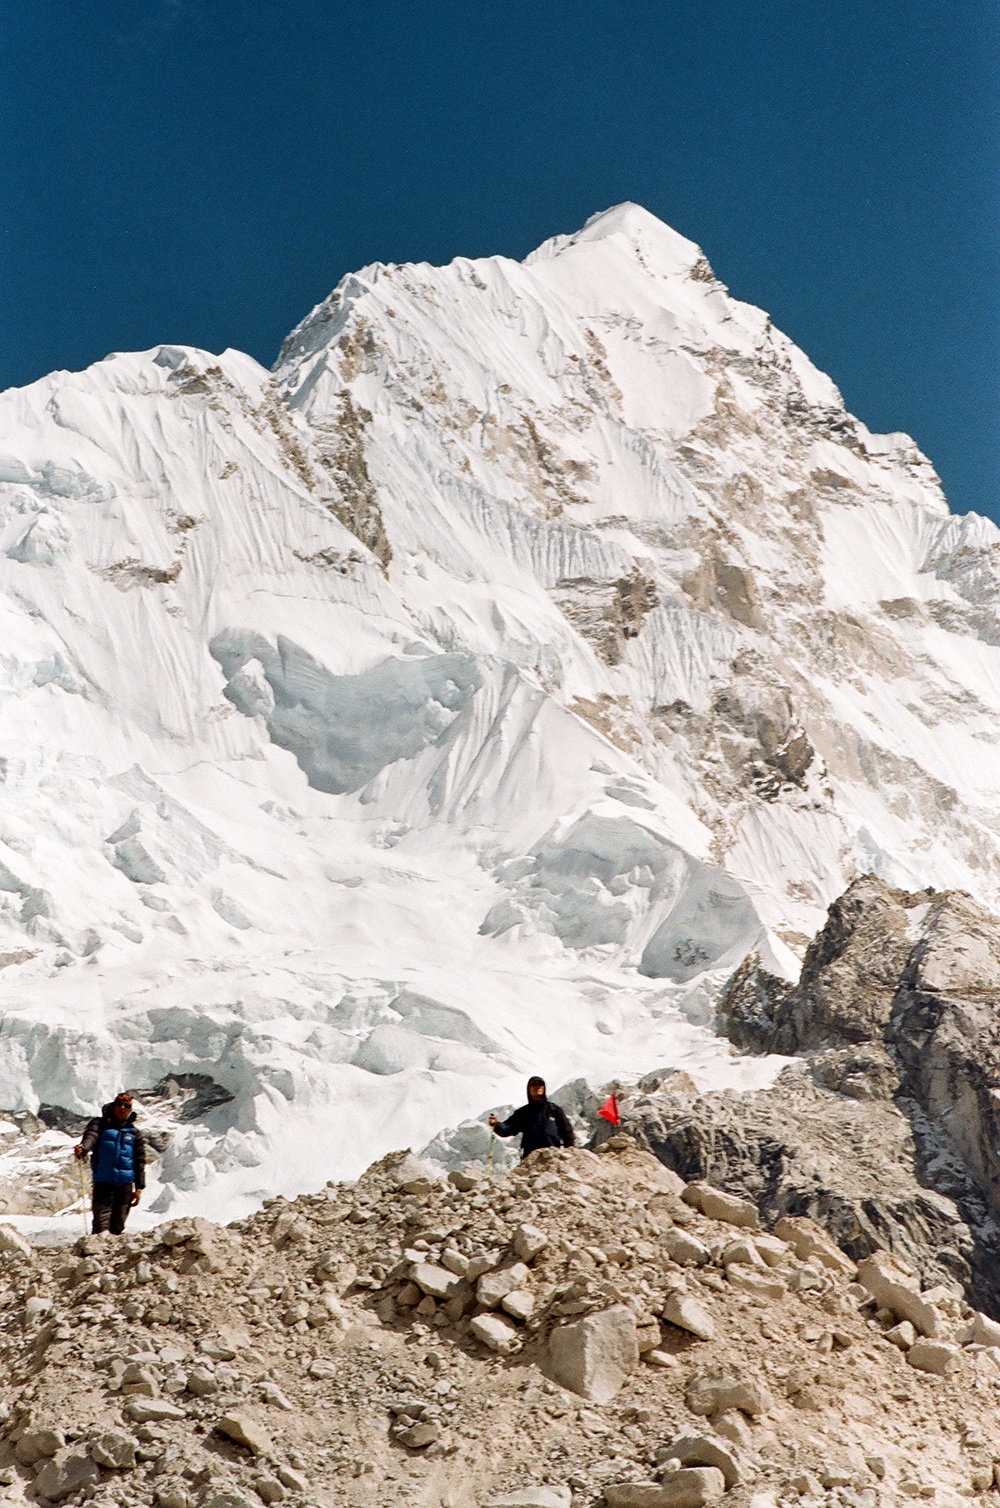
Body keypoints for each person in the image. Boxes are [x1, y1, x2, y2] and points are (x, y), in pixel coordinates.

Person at [74, 1092, 146, 1235]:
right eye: (119, 1104)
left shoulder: (134, 1133)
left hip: (125, 1185)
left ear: (130, 1110)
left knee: (118, 1226)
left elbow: (139, 1160)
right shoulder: (99, 1124)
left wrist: (139, 1188)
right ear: (113, 1106)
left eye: (127, 1106)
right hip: (103, 1182)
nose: (122, 1108)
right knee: (100, 1226)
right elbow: (91, 1137)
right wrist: (84, 1148)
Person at [489, 1076, 575, 1159]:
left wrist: (569, 1151)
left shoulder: (554, 1110)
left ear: (544, 1088)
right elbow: (508, 1129)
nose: (537, 1087)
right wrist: (496, 1125)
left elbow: (566, 1130)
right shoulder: (523, 1112)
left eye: (540, 1084)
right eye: (533, 1085)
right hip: (531, 1158)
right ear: (529, 1089)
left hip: (552, 1156)